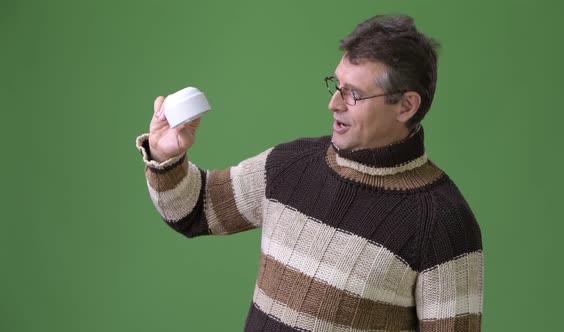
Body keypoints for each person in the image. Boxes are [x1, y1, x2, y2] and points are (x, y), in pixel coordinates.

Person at [136, 14, 483, 332]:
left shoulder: (442, 222)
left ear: (406, 106)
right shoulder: (291, 166)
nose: (333, 104)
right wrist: (167, 154)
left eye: (354, 95)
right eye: (337, 85)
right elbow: (195, 209)